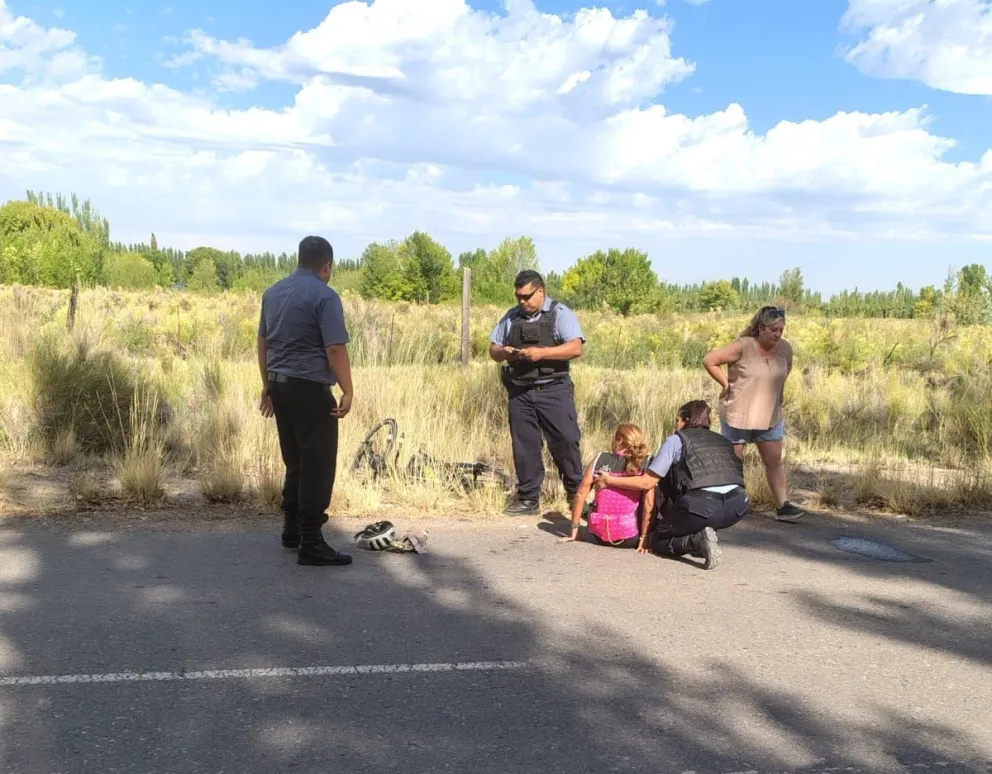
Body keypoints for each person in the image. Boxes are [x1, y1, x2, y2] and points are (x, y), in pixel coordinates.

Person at [257, 235, 354, 567]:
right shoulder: (325, 297)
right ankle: (311, 541)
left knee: (295, 461)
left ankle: (291, 529)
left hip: (280, 387)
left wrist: (268, 384)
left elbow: (263, 342)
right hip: (310, 389)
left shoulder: (272, 293)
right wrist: (348, 389)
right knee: (318, 464)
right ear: (327, 266)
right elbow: (335, 348)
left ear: (299, 260)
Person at [592, 400, 750, 570]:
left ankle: (695, 541)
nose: (675, 425)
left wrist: (609, 480)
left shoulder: (677, 440)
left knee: (658, 539)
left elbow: (647, 481)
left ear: (685, 421)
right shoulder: (723, 440)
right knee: (700, 511)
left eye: (677, 420)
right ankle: (702, 535)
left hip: (704, 507)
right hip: (738, 506)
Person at [489, 270, 585, 515]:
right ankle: (528, 498)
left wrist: (541, 353)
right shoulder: (511, 317)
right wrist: (505, 352)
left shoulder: (560, 314)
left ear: (540, 291)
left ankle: (577, 495)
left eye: (527, 296)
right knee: (525, 446)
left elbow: (575, 347)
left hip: (554, 389)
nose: (522, 301)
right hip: (520, 391)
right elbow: (493, 349)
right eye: (518, 296)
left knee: (565, 442)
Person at [702, 305, 805, 522]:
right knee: (733, 462)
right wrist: (725, 384)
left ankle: (782, 506)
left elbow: (787, 369)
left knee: (775, 461)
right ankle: (731, 505)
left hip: (770, 415)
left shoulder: (785, 349)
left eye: (781, 330)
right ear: (760, 328)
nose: (777, 335)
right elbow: (709, 360)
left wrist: (778, 392)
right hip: (739, 414)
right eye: (773, 330)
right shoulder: (743, 345)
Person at [560, 423, 655, 549]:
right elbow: (649, 504)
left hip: (599, 535)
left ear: (618, 440)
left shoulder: (600, 459)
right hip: (630, 537)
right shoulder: (645, 463)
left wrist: (574, 531)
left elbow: (580, 494)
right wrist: (644, 538)